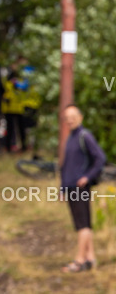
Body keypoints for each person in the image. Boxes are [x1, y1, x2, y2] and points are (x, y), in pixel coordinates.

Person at [60, 105, 107, 273]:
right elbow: (65, 166)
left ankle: (79, 261)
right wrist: (63, 188)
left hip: (80, 187)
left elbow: (100, 158)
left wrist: (87, 176)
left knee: (83, 225)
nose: (70, 120)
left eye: (73, 116)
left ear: (80, 117)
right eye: (67, 117)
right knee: (82, 223)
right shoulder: (70, 138)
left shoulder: (84, 136)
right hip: (71, 187)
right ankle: (90, 258)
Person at [0, 69, 24, 153]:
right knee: (10, 130)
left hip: (18, 109)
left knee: (19, 129)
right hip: (10, 110)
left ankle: (22, 146)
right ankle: (9, 146)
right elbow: (5, 96)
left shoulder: (19, 84)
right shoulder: (8, 85)